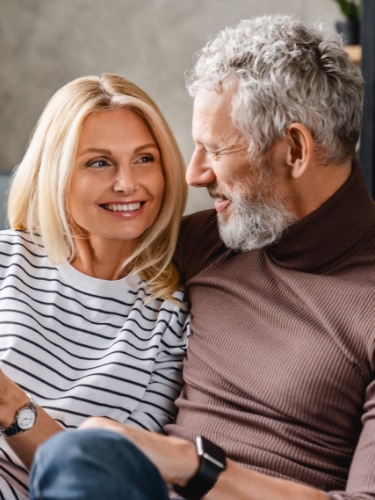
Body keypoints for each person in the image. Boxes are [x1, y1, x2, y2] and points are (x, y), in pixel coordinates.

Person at [29, 13, 375, 500]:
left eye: (214, 149)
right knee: (80, 456)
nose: (193, 174)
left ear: (294, 149)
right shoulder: (209, 242)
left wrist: (192, 464)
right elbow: (82, 229)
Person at [0, 73, 190, 499]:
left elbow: (107, 479)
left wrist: (9, 402)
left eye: (144, 159)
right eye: (99, 162)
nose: (127, 183)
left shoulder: (170, 317)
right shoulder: (6, 258)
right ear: (57, 174)